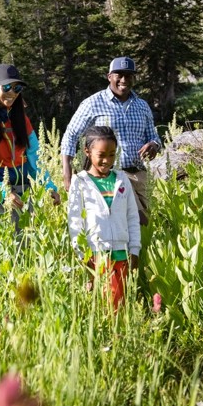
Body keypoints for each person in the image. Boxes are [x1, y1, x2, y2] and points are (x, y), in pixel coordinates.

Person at [60, 56, 161, 224]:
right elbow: (71, 135)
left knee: (148, 225)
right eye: (119, 75)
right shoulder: (93, 103)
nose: (123, 80)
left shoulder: (142, 105)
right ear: (109, 77)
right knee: (135, 220)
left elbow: (154, 136)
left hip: (139, 174)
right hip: (110, 175)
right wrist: (67, 174)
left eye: (128, 75)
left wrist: (154, 145)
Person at [0, 63, 59, 215]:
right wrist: (4, 193)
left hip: (21, 189)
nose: (12, 93)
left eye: (17, 88)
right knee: (4, 237)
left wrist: (49, 187)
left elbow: (35, 158)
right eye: (6, 87)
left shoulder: (21, 120)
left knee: (25, 237)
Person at [67, 125, 141, 310]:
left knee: (120, 304)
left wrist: (135, 250)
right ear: (87, 151)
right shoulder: (80, 182)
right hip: (96, 255)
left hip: (122, 253)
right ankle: (111, 337)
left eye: (112, 154)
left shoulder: (122, 179)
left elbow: (132, 217)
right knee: (104, 305)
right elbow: (75, 223)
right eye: (101, 155)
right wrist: (83, 255)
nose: (107, 160)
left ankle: (119, 337)